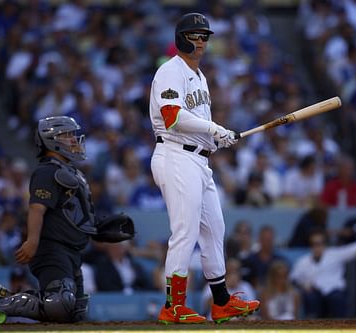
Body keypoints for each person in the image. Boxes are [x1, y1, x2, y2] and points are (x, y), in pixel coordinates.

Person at [149, 13, 260, 324]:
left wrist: (215, 140)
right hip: (175, 155)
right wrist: (214, 129)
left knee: (215, 230)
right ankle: (173, 306)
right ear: (181, 37)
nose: (200, 41)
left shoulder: (199, 76)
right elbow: (172, 116)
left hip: (198, 159)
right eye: (195, 35)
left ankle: (222, 301)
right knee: (185, 232)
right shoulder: (171, 71)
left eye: (204, 36)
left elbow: (196, 125)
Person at [0, 116, 135, 324]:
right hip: (51, 248)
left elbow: (74, 215)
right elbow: (36, 209)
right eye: (68, 135)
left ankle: (7, 298)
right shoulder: (47, 171)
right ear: (52, 140)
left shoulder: (72, 173)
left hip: (72, 251)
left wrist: (98, 228)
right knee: (60, 303)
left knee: (75, 310)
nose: (74, 139)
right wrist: (32, 241)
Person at [290, 229, 356, 318]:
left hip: (335, 292)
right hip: (316, 295)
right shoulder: (303, 262)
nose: (316, 247)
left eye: (320, 243)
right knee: (310, 298)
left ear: (325, 244)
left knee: (337, 298)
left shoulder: (335, 254)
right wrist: (303, 285)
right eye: (313, 244)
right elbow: (293, 278)